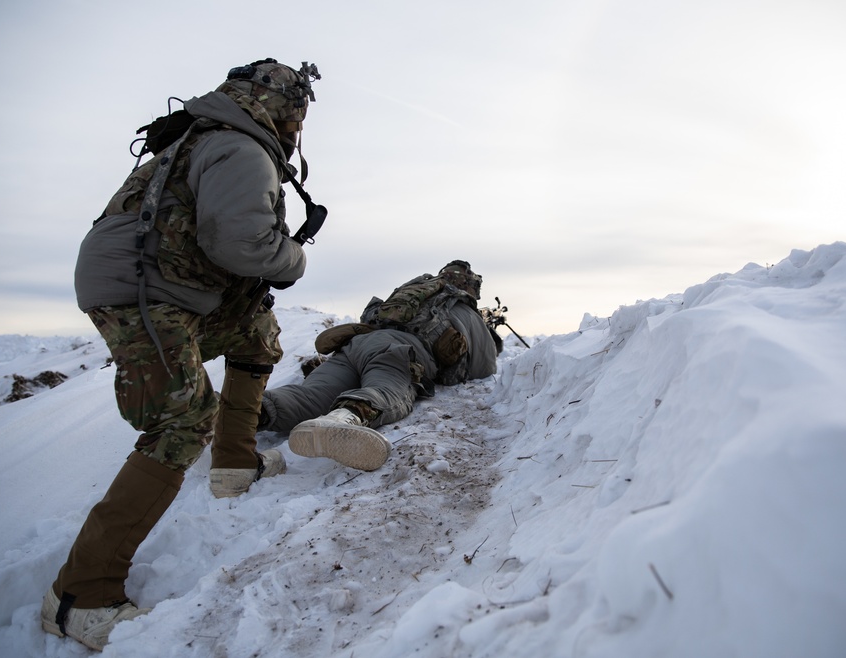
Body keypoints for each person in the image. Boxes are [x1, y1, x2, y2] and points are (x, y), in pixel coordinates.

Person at [41, 58, 321, 651]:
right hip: (140, 287)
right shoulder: (240, 149)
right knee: (181, 419)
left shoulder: (209, 134)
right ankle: (79, 597)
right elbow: (240, 240)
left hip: (167, 279)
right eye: (299, 112)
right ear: (284, 108)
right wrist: (295, 257)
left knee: (256, 333)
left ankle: (235, 463)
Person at [257, 260, 502, 471]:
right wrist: (485, 332)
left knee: (309, 396)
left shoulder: (415, 289)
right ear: (470, 289)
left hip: (356, 345)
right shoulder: (464, 310)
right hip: (396, 352)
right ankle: (343, 420)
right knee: (384, 392)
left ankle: (248, 412)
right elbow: (485, 367)